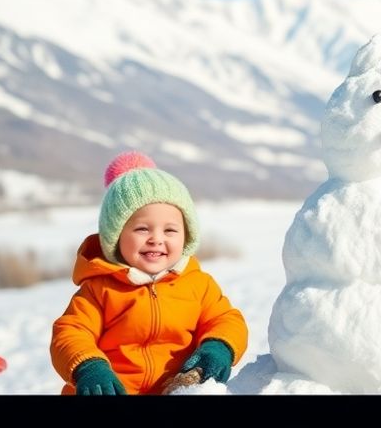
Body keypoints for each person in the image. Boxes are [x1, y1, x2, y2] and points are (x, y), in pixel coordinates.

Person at [51, 151, 248, 395]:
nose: (156, 239)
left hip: (176, 389)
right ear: (116, 237)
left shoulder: (199, 285)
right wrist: (88, 366)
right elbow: (70, 332)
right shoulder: (99, 289)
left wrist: (218, 346)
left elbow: (227, 320)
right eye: (142, 229)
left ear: (186, 236)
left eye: (170, 230)